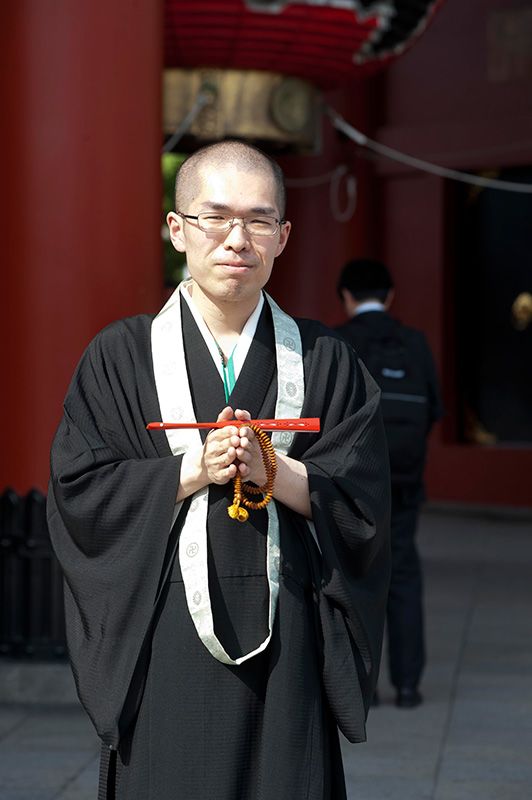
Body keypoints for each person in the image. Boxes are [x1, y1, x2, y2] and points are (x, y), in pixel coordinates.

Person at [47, 141, 391, 800]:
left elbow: (365, 503)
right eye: (216, 218)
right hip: (165, 632)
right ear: (177, 229)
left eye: (259, 220)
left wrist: (273, 470)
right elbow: (79, 494)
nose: (238, 239)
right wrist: (192, 469)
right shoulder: (119, 358)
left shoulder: (327, 360)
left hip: (291, 631)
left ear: (283, 236)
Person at [336, 258, 443, 709]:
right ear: (391, 296)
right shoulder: (414, 343)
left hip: (353, 486)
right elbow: (434, 408)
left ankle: (366, 685)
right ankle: (408, 685)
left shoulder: (338, 343)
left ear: (346, 296)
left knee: (355, 575)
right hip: (405, 480)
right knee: (404, 574)